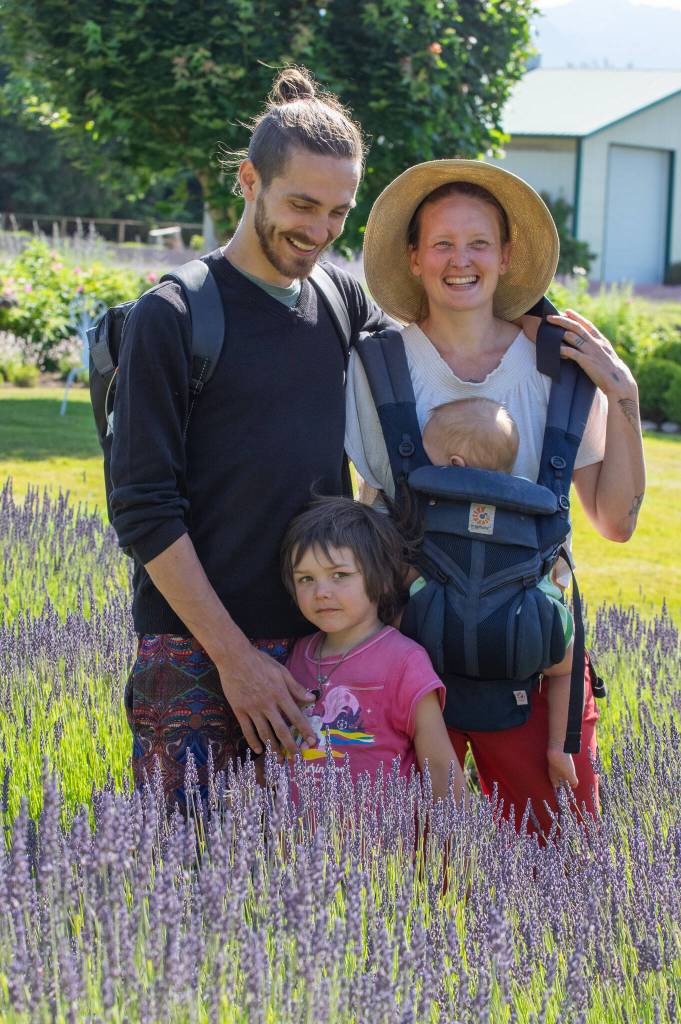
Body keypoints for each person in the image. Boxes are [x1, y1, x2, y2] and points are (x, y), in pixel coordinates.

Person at [111, 67, 392, 811]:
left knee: (297, 886)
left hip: (318, 648)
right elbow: (142, 508)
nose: (320, 231)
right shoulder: (172, 316)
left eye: (338, 212)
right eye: (301, 203)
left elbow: (428, 367)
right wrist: (234, 658)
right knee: (182, 873)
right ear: (248, 180)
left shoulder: (341, 297)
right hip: (194, 652)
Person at [345, 160, 645, 836]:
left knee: (557, 869)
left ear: (506, 257)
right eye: (442, 243)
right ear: (414, 257)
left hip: (537, 663)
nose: (461, 260)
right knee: (414, 871)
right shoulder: (379, 367)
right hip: (412, 660)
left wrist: (621, 395)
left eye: (479, 242)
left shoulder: (560, 370)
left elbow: (614, 521)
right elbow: (369, 511)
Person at [417, 395, 578, 790]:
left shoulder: (432, 516)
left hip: (438, 663)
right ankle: (560, 747)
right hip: (518, 656)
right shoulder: (533, 516)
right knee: (567, 658)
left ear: (455, 467)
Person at [278, 496, 466, 803]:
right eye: (306, 579)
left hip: (377, 846)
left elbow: (440, 767)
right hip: (298, 843)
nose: (321, 592)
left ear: (380, 579)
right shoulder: (297, 655)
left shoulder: (404, 661)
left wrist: (459, 845)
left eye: (340, 575)